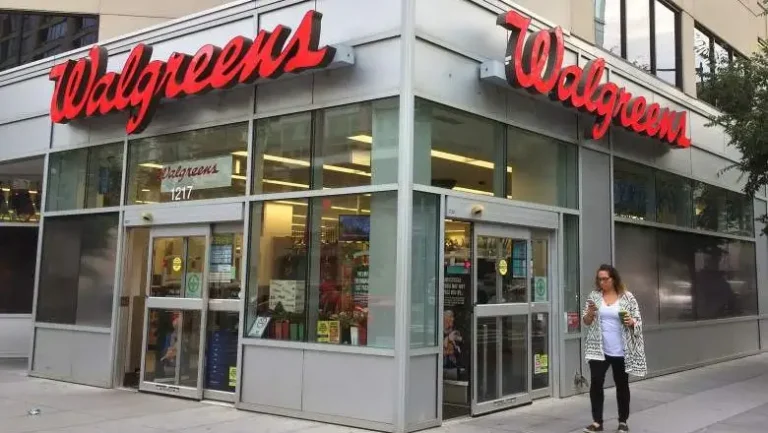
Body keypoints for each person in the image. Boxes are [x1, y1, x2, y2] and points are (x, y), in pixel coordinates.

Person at [581, 264, 647, 433]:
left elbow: (638, 321)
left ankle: (623, 421)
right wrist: (590, 313)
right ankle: (597, 422)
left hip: (621, 350)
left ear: (614, 279)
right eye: (599, 279)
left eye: (605, 279)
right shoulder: (594, 297)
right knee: (596, 382)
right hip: (599, 349)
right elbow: (586, 321)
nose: (602, 282)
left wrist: (632, 322)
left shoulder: (627, 297)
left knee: (622, 385)